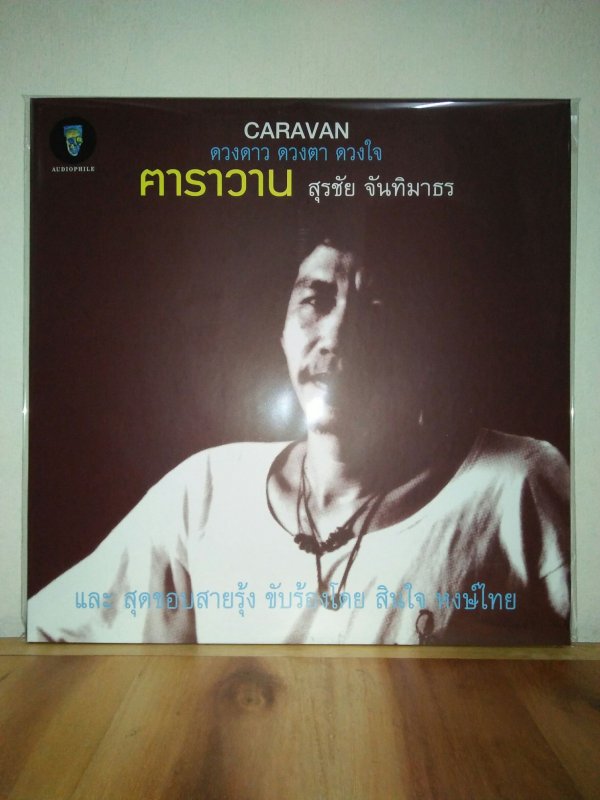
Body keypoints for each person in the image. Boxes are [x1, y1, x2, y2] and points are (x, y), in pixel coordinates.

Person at [27, 216, 570, 645]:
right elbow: (42, 633)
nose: (337, 336)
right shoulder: (205, 491)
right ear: (283, 330)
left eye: (378, 308)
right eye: (316, 301)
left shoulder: (516, 483)